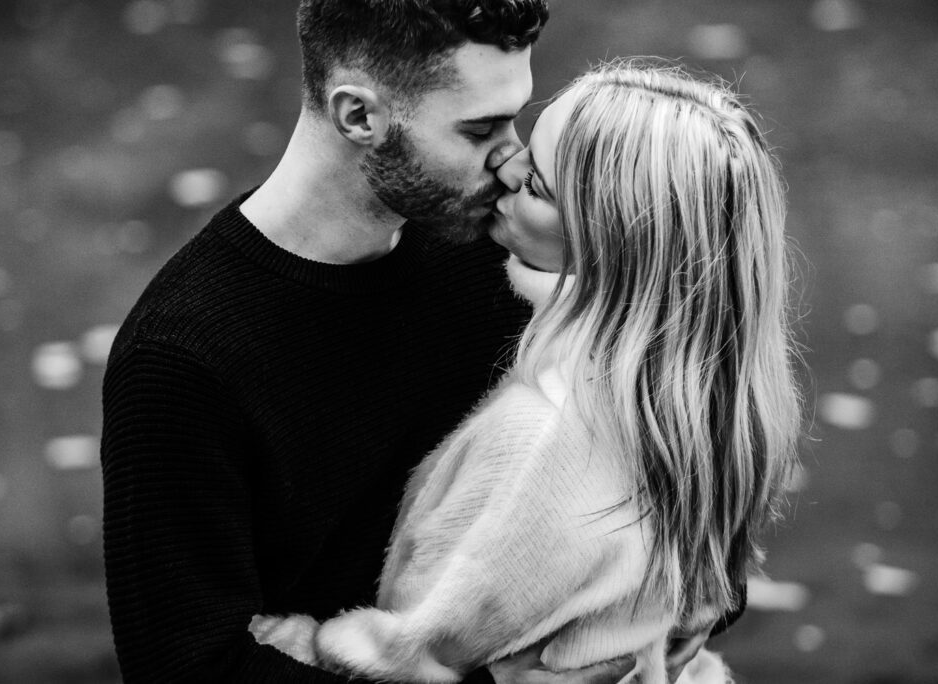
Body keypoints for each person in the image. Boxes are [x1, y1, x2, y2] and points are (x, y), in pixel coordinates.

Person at [102, 2, 710, 682]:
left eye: (514, 118)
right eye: (480, 129)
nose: (513, 160)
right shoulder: (180, 360)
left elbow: (659, 443)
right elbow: (190, 669)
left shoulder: (495, 250)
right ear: (359, 116)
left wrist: (668, 611)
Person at [248, 62, 802, 684]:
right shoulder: (694, 406)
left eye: (538, 186)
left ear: (608, 242)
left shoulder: (544, 441)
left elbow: (420, 652)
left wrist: (300, 642)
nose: (508, 168)